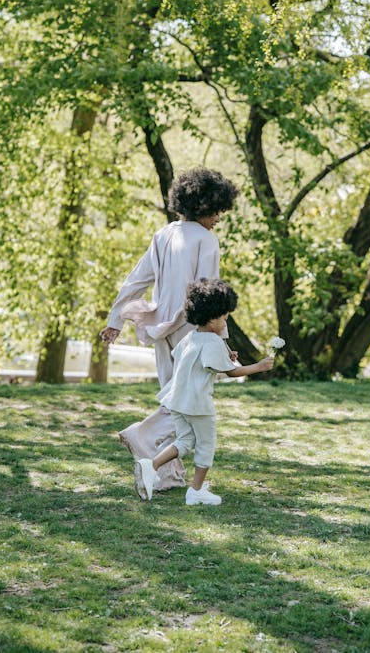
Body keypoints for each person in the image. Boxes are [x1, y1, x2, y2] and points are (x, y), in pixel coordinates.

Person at [100, 168, 239, 495]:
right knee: (188, 401)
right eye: (216, 210)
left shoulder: (163, 235)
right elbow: (209, 294)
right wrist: (221, 339)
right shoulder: (206, 240)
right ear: (202, 205)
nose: (219, 217)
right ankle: (143, 435)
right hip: (193, 330)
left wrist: (115, 320)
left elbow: (137, 279)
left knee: (174, 396)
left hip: (159, 329)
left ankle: (168, 477)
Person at [135, 278, 274, 505]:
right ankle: (196, 490)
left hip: (177, 401)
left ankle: (151, 465)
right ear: (211, 317)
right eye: (224, 316)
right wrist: (259, 366)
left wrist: (225, 357)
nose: (225, 320)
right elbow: (231, 373)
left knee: (185, 440)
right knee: (206, 445)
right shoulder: (213, 341)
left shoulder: (191, 338)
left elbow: (192, 361)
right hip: (198, 404)